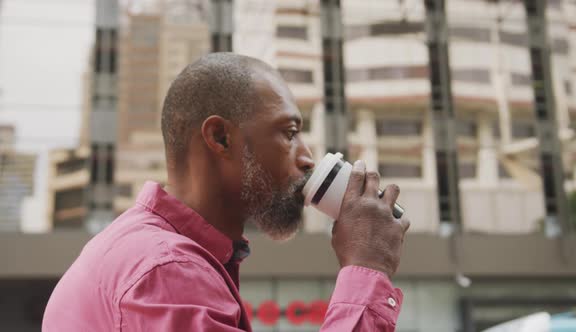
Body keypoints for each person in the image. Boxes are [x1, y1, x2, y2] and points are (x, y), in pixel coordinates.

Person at [42, 53, 410, 331]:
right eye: (289, 132)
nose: (308, 158)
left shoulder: (149, 253)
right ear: (220, 137)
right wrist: (366, 268)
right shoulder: (168, 271)